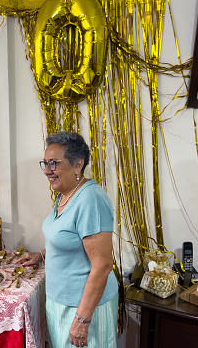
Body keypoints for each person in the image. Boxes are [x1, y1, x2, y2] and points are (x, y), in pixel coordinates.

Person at [16, 131, 118, 348]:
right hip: (61, 303)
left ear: (77, 165)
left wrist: (82, 320)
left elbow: (103, 266)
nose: (46, 170)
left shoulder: (91, 200)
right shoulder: (65, 193)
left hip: (82, 308)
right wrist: (42, 255)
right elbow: (66, 239)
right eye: (44, 163)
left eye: (53, 163)